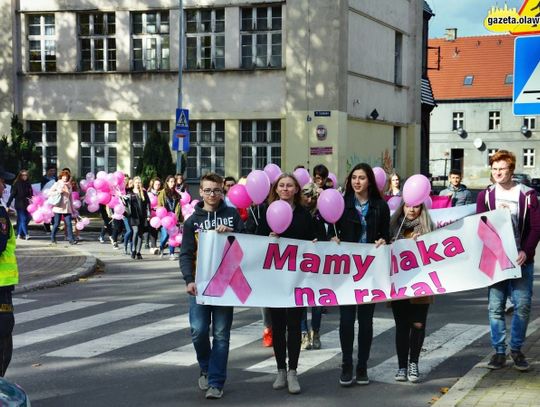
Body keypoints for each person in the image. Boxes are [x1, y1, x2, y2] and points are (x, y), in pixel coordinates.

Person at [180, 172, 245, 400]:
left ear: (222, 191)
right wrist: (189, 279)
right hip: (200, 285)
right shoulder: (192, 221)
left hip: (226, 285)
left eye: (216, 190)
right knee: (198, 331)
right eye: (208, 190)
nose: (212, 194)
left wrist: (233, 234)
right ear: (200, 192)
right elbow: (186, 253)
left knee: (221, 334)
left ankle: (216, 381)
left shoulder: (232, 216)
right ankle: (206, 366)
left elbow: (248, 244)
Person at [477, 150, 540, 371]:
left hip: (520, 260)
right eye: (494, 169)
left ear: (511, 170)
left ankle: (516, 349)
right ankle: (499, 352)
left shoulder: (527, 195)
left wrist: (526, 251)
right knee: (496, 307)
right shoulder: (486, 196)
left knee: (522, 306)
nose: (497, 173)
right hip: (495, 260)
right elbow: (479, 226)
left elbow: (535, 227)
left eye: (502, 169)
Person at [256, 173, 316, 394]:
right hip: (274, 279)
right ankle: (280, 369)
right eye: (281, 185)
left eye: (289, 185)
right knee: (278, 326)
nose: (285, 189)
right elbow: (256, 241)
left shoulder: (304, 215)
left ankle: (293, 371)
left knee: (294, 325)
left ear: (296, 189)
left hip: (297, 278)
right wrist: (268, 239)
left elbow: (314, 240)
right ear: (276, 189)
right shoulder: (267, 212)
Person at [330, 163, 390, 386]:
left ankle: (362, 365)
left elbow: (387, 234)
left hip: (370, 272)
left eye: (362, 178)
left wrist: (384, 240)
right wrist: (332, 239)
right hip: (347, 272)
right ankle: (346, 364)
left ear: (370, 181)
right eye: (354, 177)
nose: (357, 181)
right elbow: (330, 229)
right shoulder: (341, 204)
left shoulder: (380, 206)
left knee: (365, 322)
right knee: (346, 321)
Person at [389, 201, 434, 383]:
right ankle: (402, 366)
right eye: (408, 205)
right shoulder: (392, 227)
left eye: (416, 206)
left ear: (422, 209)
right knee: (401, 326)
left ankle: (413, 363)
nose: (412, 209)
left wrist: (421, 243)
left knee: (417, 325)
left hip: (421, 286)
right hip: (399, 284)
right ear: (402, 207)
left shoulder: (429, 229)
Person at [299, 182, 327, 350]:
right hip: (301, 262)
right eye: (306, 196)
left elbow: (327, 234)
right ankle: (303, 333)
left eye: (313, 196)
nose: (309, 199)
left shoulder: (322, 214)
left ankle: (315, 331)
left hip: (319, 261)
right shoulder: (299, 213)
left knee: (316, 302)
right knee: (301, 300)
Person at [0, 166, 18, 376]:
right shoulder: (0, 213)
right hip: (1, 286)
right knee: (3, 334)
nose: (4, 186)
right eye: (1, 181)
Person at [158, 176, 183, 260]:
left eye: (174, 182)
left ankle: (171, 253)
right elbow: (160, 205)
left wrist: (179, 218)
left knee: (173, 236)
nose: (172, 183)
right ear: (167, 182)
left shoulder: (177, 194)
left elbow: (179, 207)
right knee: (165, 236)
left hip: (173, 218)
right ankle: (161, 247)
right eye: (171, 182)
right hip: (165, 218)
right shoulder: (162, 193)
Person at [49, 170, 77, 245]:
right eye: (64, 176)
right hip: (58, 206)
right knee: (57, 224)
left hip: (67, 208)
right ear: (61, 176)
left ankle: (71, 239)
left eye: (66, 177)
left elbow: (70, 197)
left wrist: (72, 208)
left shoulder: (69, 185)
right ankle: (52, 237)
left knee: (69, 223)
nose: (65, 178)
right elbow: (50, 192)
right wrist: (58, 191)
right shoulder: (57, 183)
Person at [127, 176, 150, 260]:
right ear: (133, 183)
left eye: (139, 182)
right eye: (136, 182)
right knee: (135, 231)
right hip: (133, 216)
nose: (137, 184)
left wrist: (148, 215)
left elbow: (148, 204)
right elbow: (125, 203)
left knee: (140, 234)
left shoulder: (144, 192)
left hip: (142, 216)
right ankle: (133, 250)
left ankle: (138, 252)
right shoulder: (129, 192)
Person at [6, 170, 33, 240]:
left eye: (26, 175)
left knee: (28, 218)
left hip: (27, 204)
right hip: (19, 204)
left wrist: (31, 197)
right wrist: (8, 204)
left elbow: (30, 193)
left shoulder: (28, 183)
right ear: (20, 176)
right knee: (23, 219)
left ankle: (19, 234)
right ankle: (26, 234)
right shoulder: (17, 183)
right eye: (23, 175)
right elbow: (12, 195)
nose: (25, 176)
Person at [145, 178, 162, 254]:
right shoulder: (148, 193)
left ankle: (156, 246)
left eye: (159, 184)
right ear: (152, 185)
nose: (157, 186)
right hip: (151, 214)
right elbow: (146, 204)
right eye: (156, 184)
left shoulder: (161, 193)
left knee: (157, 230)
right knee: (152, 231)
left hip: (160, 214)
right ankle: (153, 246)